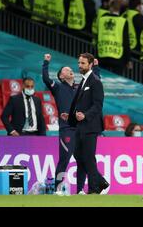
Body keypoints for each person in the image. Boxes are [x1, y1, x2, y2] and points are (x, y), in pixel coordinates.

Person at [42, 53, 100, 194]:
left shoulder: (78, 88)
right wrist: (46, 63)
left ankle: (79, 190)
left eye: (70, 69)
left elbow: (96, 83)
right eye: (66, 70)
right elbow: (45, 78)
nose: (70, 70)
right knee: (64, 159)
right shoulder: (58, 87)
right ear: (61, 76)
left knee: (82, 161)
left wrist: (96, 67)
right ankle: (57, 188)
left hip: (80, 128)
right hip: (67, 129)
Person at [61, 53, 109, 194]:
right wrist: (70, 117)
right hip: (80, 125)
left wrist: (85, 115)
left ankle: (94, 188)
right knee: (79, 156)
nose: (79, 66)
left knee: (88, 157)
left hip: (91, 125)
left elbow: (98, 105)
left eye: (82, 63)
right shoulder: (83, 81)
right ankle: (100, 182)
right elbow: (77, 103)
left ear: (90, 64)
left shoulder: (95, 81)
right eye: (79, 63)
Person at [97, 0, 132, 74]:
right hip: (117, 56)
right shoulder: (123, 21)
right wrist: (128, 59)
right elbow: (126, 41)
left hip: (102, 53)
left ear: (110, 6)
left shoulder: (102, 18)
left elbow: (97, 35)